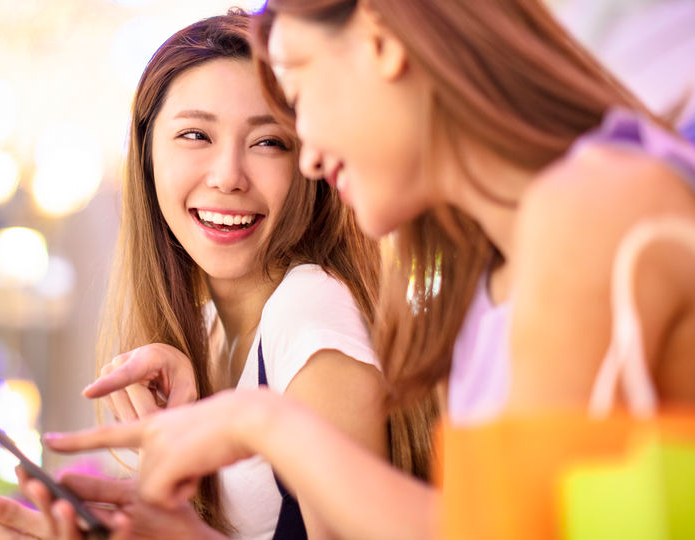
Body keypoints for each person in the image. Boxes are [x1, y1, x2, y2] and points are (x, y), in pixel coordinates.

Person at [45, 0, 695, 538]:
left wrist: (263, 421)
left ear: (382, 42)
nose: (309, 159)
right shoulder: (490, 284)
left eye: (297, 99)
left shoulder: (591, 209)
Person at [0, 9, 435, 539]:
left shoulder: (306, 311)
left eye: (268, 142)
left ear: (309, 163)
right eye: (195, 135)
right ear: (146, 156)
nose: (228, 176)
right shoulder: (207, 328)